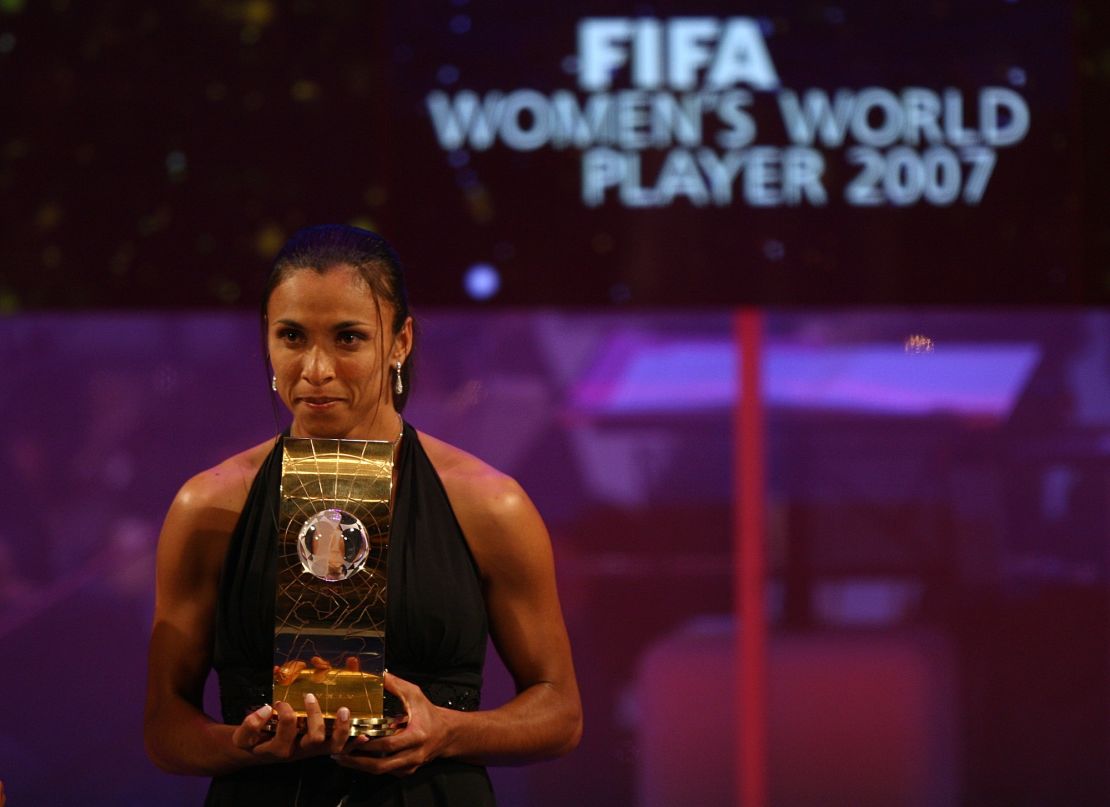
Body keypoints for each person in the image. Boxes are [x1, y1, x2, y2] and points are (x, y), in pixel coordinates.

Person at [144, 224, 582, 805]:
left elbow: (560, 713)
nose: (316, 368)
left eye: (348, 338)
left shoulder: (488, 505)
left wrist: (450, 732)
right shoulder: (209, 505)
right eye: (292, 336)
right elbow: (164, 727)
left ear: (399, 341)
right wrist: (240, 745)